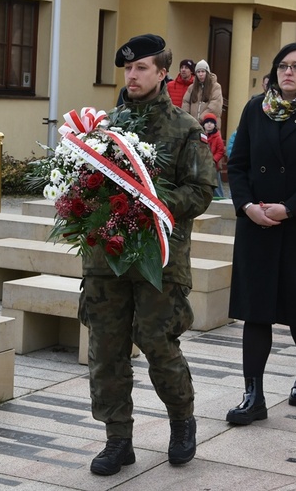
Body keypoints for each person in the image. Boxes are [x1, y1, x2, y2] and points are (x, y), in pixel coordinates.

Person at [82, 33, 216, 475]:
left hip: (159, 256)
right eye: (127, 68)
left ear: (162, 73)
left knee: (157, 341)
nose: (132, 75)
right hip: (106, 258)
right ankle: (117, 439)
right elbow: (85, 183)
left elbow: (200, 192)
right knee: (106, 348)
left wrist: (149, 201)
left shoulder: (185, 128)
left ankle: (182, 420)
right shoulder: (104, 128)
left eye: (141, 68)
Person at [225, 42, 296, 424]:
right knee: (256, 311)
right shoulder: (255, 108)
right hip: (257, 224)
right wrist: (246, 207)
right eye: (282, 66)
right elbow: (237, 165)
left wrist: (289, 208)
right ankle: (253, 395)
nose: (288, 72)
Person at [183, 59, 223, 129]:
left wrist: (200, 119)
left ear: (207, 73)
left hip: (210, 127)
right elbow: (185, 102)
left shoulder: (216, 87)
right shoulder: (191, 88)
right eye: (198, 72)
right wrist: (188, 118)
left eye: (203, 71)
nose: (200, 74)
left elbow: (214, 107)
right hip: (193, 126)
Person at [201, 112, 226, 198]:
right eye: (207, 122)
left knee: (216, 183)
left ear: (214, 125)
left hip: (214, 165)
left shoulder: (217, 137)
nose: (209, 124)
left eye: (211, 123)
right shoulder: (202, 135)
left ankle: (220, 197)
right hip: (203, 164)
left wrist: (213, 160)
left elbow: (221, 150)